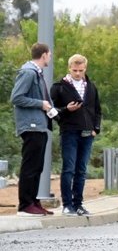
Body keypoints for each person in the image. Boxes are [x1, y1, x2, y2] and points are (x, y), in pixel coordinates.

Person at [49, 54, 103, 217]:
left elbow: (97, 110)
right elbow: (51, 111)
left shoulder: (91, 87)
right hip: (69, 132)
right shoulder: (59, 87)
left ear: (85, 68)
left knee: (81, 169)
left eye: (81, 70)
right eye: (75, 70)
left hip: (87, 133)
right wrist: (66, 109)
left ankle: (78, 203)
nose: (78, 73)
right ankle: (67, 204)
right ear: (69, 68)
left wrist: (96, 128)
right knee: (69, 168)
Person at [10, 42, 56, 217]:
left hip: (40, 125)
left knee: (38, 166)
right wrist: (41, 104)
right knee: (30, 166)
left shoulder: (36, 73)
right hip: (31, 126)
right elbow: (17, 98)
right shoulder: (28, 72)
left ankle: (34, 202)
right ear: (43, 55)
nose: (49, 58)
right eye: (49, 55)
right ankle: (25, 205)